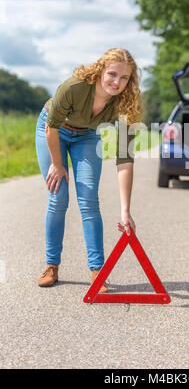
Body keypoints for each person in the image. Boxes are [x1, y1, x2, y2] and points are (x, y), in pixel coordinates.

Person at [35, 48, 142, 289]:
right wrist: (58, 164)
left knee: (89, 202)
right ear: (100, 70)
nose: (117, 82)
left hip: (86, 136)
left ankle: (98, 271)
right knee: (58, 196)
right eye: (112, 74)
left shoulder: (125, 104)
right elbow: (51, 127)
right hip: (53, 129)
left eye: (124, 78)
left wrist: (126, 210)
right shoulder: (74, 87)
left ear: (130, 80)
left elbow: (125, 159)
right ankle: (52, 265)